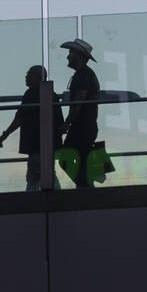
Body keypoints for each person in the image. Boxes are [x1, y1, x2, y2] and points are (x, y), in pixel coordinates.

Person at [0, 65, 64, 191]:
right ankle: (55, 195)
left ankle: (33, 197)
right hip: (47, 142)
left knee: (34, 174)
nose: (26, 77)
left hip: (34, 143)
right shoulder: (51, 95)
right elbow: (59, 119)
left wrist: (5, 134)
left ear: (37, 77)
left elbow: (20, 118)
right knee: (46, 172)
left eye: (29, 75)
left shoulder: (30, 95)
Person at [59, 39, 100, 189]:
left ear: (79, 56)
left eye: (71, 53)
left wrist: (67, 123)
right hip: (85, 126)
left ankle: (85, 188)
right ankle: (85, 187)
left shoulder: (82, 75)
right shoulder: (85, 74)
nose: (68, 56)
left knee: (66, 157)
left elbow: (78, 102)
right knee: (80, 160)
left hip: (82, 127)